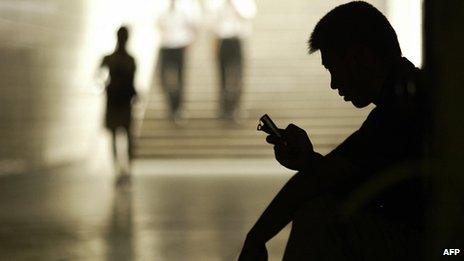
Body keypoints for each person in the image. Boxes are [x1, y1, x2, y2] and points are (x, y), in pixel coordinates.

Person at [239, 2, 427, 260]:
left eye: (332, 68)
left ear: (359, 58)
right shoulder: (407, 92)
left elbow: (323, 179)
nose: (334, 84)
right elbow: (347, 172)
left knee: (317, 218)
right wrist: (309, 161)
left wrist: (256, 238)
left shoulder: (401, 107)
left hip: (440, 247)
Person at [99, 26, 137, 181]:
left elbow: (98, 76)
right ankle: (125, 168)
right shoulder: (130, 60)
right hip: (123, 100)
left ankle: (118, 168)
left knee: (117, 135)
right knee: (126, 135)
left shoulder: (109, 59)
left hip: (115, 100)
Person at [209, 0, 257, 120]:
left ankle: (237, 107)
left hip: (236, 41)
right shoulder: (217, 4)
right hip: (222, 41)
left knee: (237, 75)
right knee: (222, 75)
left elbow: (249, 15)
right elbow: (213, 22)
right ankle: (224, 107)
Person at [157, 0, 201, 122]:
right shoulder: (161, 6)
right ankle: (171, 103)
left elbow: (195, 25)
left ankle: (178, 107)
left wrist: (190, 40)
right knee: (163, 77)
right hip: (166, 46)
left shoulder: (187, 6)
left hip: (179, 45)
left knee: (179, 78)